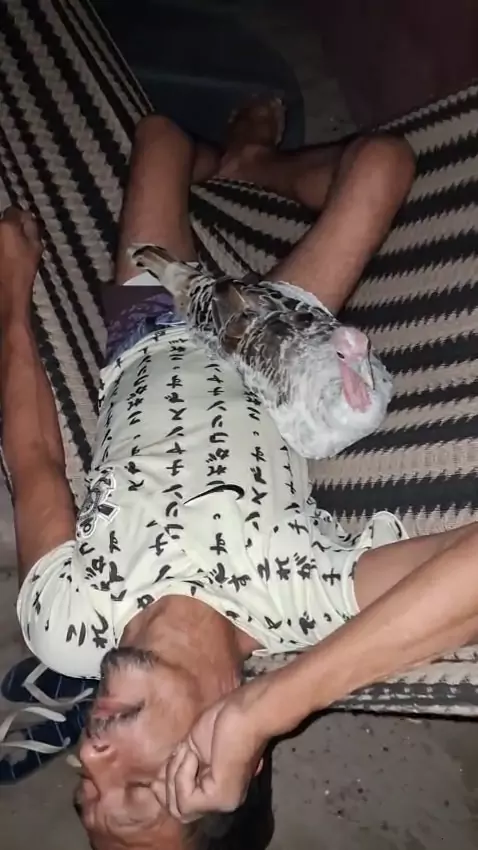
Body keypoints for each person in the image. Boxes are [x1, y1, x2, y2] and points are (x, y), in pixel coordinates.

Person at [2, 101, 478, 849]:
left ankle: (236, 168)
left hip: (151, 327)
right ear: (236, 762)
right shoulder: (302, 601)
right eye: (139, 788)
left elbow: (34, 457)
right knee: (384, 161)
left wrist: (9, 294)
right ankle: (254, 168)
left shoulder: (66, 624)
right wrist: (274, 705)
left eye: (86, 793)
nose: (90, 758)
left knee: (160, 136)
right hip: (272, 340)